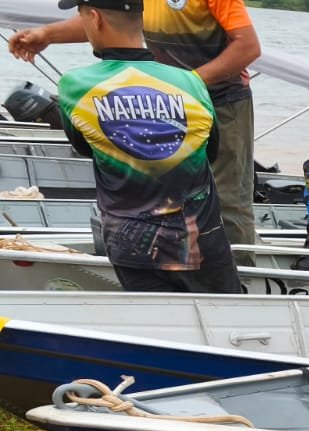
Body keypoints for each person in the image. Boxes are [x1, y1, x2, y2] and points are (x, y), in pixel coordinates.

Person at [11, 0, 261, 256]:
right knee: (165, 197)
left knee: (227, 200)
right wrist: (46, 35)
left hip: (221, 101)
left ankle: (241, 275)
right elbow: (109, 18)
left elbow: (248, 46)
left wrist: (187, 85)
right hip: (164, 103)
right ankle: (173, 268)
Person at [51, 0, 241, 293]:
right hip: (203, 242)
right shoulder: (191, 83)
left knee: (160, 328)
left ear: (94, 17)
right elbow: (210, 151)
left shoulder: (75, 85)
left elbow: (85, 147)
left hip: (132, 248)